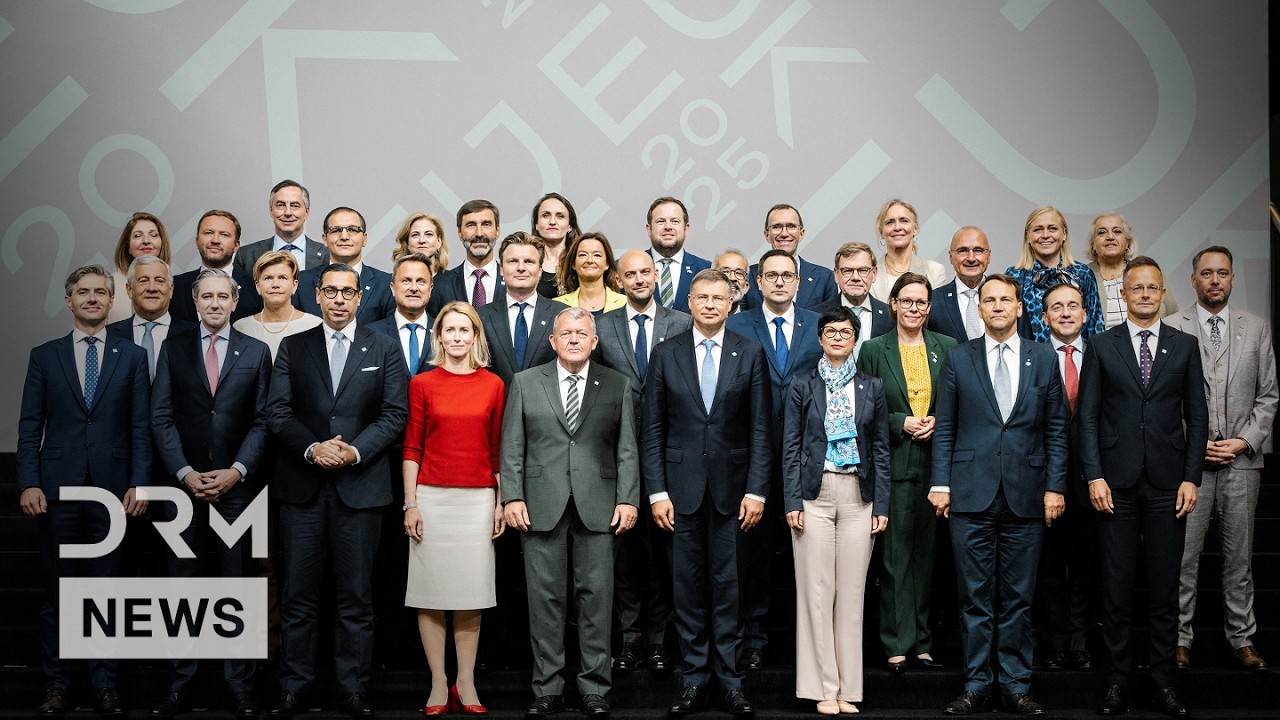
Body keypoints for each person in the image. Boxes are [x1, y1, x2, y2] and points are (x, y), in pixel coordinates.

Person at [266, 263, 408, 719]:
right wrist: (312, 448)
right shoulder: (293, 346)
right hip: (302, 488)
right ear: (318, 295)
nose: (340, 299)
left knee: (356, 598)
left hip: (360, 488)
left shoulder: (384, 348)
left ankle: (354, 689)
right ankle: (295, 687)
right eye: (331, 291)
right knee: (298, 597)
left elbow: (393, 414)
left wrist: (353, 453)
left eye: (348, 292)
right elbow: (278, 413)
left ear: (360, 297)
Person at [929, 273, 1068, 716]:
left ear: (1019, 307)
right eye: (989, 300)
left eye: (1005, 299)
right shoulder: (958, 357)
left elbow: (1057, 430)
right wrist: (940, 482)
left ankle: (1015, 685)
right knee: (973, 598)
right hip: (970, 494)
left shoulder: (1043, 358)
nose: (997, 306)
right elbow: (945, 424)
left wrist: (1055, 487)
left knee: (1017, 599)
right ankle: (976, 685)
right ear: (980, 309)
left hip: (1027, 494)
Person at [18, 265, 151, 718]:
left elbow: (140, 426)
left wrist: (139, 480)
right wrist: (29, 481)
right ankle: (56, 686)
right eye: (83, 292)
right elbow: (30, 424)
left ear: (112, 301)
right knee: (58, 594)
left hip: (113, 494)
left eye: (100, 292)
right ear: (68, 300)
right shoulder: (45, 355)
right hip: (56, 492)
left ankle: (105, 685)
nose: (92, 298)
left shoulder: (131, 356)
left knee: (104, 593)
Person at [1078, 256, 1207, 718]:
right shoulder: (1101, 345)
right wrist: (1094, 474)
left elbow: (1198, 415)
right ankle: (1115, 682)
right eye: (1138, 288)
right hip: (1114, 484)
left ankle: (1161, 680)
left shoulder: (1186, 345)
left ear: (1162, 291)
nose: (1147, 294)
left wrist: (1192, 476)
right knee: (1115, 587)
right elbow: (1087, 418)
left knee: (1163, 587)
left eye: (1154, 287)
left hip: (1169, 485)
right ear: (1124, 294)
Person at [642, 269, 771, 716]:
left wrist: (757, 490)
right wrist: (656, 491)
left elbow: (760, 428)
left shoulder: (750, 352)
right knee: (687, 588)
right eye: (703, 298)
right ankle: (694, 678)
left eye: (720, 298)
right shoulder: (665, 353)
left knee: (730, 586)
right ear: (690, 303)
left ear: (732, 304)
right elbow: (653, 428)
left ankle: (731, 681)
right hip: (678, 494)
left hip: (735, 494)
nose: (711, 304)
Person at [502, 307, 640, 718]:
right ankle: (547, 688)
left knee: (596, 600)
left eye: (583, 333)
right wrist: (512, 496)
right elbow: (512, 446)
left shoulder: (617, 384)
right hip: (540, 504)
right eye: (567, 333)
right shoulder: (526, 382)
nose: (575, 339)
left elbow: (627, 448)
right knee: (545, 602)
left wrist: (629, 498)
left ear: (595, 341)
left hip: (599, 506)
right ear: (553, 340)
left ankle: (594, 688)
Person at [149, 269, 273, 720]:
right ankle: (181, 684)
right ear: (195, 302)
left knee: (234, 588)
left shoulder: (256, 352)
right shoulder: (174, 347)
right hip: (182, 492)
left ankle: (238, 686)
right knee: (182, 590)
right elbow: (160, 417)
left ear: (236, 301)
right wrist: (184, 472)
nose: (215, 303)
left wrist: (236, 471)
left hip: (235, 492)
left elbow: (263, 421)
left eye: (223, 296)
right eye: (207, 296)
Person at [1171, 246, 1276, 672]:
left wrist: (1243, 441)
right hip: (1189, 469)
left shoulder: (1256, 328)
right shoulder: (1171, 329)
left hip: (1241, 464)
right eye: (1207, 274)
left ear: (1232, 280)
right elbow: (1164, 402)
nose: (1215, 280)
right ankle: (1179, 639)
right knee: (1183, 559)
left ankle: (1242, 639)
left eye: (1223, 274)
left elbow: (1269, 395)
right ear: (1193, 280)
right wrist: (1193, 446)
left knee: (1239, 557)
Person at [781, 305, 890, 716]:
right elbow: (790, 448)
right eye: (831, 331)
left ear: (855, 337)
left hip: (859, 496)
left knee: (851, 595)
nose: (838, 337)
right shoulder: (802, 385)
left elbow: (880, 448)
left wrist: (882, 503)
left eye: (846, 331)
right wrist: (792, 501)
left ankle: (848, 689)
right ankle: (822, 687)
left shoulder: (872, 387)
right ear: (821, 338)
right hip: (814, 495)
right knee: (816, 592)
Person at [401, 301, 506, 716]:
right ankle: (437, 682)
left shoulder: (494, 384)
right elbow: (412, 447)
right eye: (450, 330)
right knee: (430, 594)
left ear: (476, 336)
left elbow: (498, 450)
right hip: (431, 497)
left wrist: (501, 501)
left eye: (465, 330)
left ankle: (466, 680)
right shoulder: (422, 383)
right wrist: (410, 503)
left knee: (470, 594)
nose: (458, 337)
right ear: (439, 336)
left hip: (478, 499)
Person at [593, 250, 691, 673]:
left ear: (657, 275)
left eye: (645, 272)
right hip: (616, 453)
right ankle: (630, 640)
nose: (638, 279)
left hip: (672, 453)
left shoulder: (681, 323)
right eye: (629, 274)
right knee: (625, 554)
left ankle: (658, 640)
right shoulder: (601, 326)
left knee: (664, 554)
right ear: (618, 280)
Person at [727, 248, 823, 670]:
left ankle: (807, 638)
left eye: (788, 275)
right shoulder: (736, 325)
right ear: (758, 282)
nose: (780, 281)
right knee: (755, 553)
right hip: (753, 457)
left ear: (798, 281)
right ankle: (754, 637)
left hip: (809, 456)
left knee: (809, 552)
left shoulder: (820, 326)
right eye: (771, 275)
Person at [857, 272, 957, 673]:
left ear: (928, 308)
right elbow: (863, 407)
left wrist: (936, 419)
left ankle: (922, 643)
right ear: (893, 305)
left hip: (936, 468)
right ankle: (895, 643)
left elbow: (958, 400)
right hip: (893, 466)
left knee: (926, 560)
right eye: (906, 301)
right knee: (895, 561)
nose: (914, 308)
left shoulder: (947, 347)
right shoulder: (873, 349)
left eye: (921, 302)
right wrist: (901, 422)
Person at [1035, 282, 1099, 672]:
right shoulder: (1035, 356)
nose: (1065, 313)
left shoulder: (1103, 355)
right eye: (1056, 307)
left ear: (1085, 313)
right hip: (1045, 481)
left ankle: (1081, 642)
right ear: (1044, 317)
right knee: (1049, 567)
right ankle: (1055, 644)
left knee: (1088, 566)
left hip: (1093, 481)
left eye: (1073, 306)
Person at [477, 232, 569, 386]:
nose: (521, 268)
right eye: (513, 261)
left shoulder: (562, 315)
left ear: (540, 270)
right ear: (501, 269)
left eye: (529, 262)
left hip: (546, 408)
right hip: (498, 407)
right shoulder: (481, 317)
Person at [1004, 205, 1104, 343]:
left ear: (1064, 234)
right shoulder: (1014, 276)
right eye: (1038, 229)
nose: (1045, 235)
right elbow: (1006, 328)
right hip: (1030, 361)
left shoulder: (1082, 274)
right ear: (1028, 236)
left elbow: (1095, 326)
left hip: (1076, 360)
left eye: (1052, 229)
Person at [295, 208, 394, 323]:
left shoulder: (385, 284)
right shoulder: (301, 283)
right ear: (325, 239)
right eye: (336, 230)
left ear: (364, 239)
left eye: (352, 230)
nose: (344, 236)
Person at [105, 256, 196, 380]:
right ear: (129, 290)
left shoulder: (194, 335)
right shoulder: (108, 335)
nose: (152, 288)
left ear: (171, 290)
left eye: (159, 281)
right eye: (143, 281)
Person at [1086, 212, 1177, 329]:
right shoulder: (1083, 276)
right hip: (1101, 346)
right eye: (1102, 232)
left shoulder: (1149, 271)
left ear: (1128, 241)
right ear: (1093, 243)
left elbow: (1173, 315)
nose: (1110, 237)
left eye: (1117, 231)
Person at [171, 210, 261, 323]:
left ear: (236, 245)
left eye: (224, 235)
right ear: (197, 241)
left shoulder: (255, 287)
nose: (215, 240)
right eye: (208, 233)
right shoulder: (174, 287)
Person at [741, 204, 837, 311]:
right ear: (767, 235)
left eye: (791, 226)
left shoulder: (825, 277)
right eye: (777, 227)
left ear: (801, 233)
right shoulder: (748, 276)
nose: (784, 233)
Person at [234, 251, 324, 360]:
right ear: (257, 286)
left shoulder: (315, 325)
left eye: (282, 278)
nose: (275, 285)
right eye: (268, 278)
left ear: (294, 285)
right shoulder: (241, 328)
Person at [234, 179, 328, 278]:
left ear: (307, 212)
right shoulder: (246, 255)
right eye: (280, 205)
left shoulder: (327, 254)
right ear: (271, 211)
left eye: (295, 206)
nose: (288, 212)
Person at [816, 242, 894, 360]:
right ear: (837, 275)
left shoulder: (891, 316)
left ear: (874, 274)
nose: (856, 278)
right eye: (847, 271)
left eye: (863, 270)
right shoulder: (815, 315)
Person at [427, 200, 506, 316]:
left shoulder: (514, 281)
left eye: (486, 224)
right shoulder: (441, 285)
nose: (479, 233)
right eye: (471, 225)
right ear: (459, 232)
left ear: (497, 231)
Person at [368, 253, 436, 376]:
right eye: (406, 281)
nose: (414, 288)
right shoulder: (371, 335)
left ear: (430, 289)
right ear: (393, 288)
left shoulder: (444, 332)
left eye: (421, 282)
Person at [868, 199, 946, 301]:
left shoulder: (934, 271)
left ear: (915, 229)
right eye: (890, 222)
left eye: (904, 221)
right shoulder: (868, 274)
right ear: (881, 232)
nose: (897, 227)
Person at [645, 196, 711, 313]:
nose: (668, 227)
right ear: (649, 229)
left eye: (675, 221)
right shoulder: (628, 269)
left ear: (686, 229)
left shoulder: (705, 269)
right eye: (660, 221)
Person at [929, 227, 992, 343]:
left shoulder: (1007, 298)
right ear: (950, 257)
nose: (971, 258)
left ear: (988, 256)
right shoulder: (933, 301)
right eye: (963, 251)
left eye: (978, 250)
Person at [109, 211, 172, 323]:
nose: (146, 241)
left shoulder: (172, 285)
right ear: (127, 246)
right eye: (137, 236)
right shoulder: (108, 284)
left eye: (153, 235)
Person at [555, 231, 626, 315]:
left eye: (597, 255)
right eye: (582, 255)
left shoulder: (625, 303)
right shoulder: (557, 305)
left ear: (607, 264)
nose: (590, 260)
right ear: (573, 263)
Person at [530, 192, 580, 298]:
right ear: (536, 225)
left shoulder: (580, 261)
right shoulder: (526, 262)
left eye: (560, 216)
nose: (552, 221)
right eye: (545, 215)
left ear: (569, 226)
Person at [390, 212, 450, 276]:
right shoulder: (393, 282)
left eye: (429, 234)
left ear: (439, 241)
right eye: (415, 235)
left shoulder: (454, 281)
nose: (422, 240)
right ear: (407, 242)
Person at [712, 249, 750, 316]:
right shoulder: (691, 321)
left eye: (739, 273)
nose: (732, 278)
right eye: (725, 271)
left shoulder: (754, 324)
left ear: (746, 287)